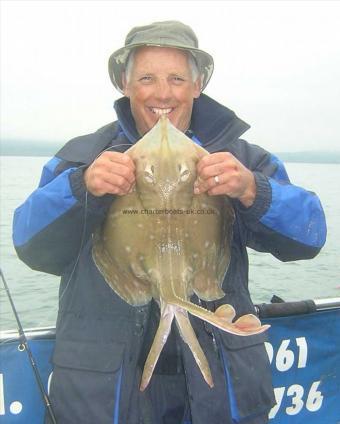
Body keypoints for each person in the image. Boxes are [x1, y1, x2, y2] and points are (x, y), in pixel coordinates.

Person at [13, 21, 327, 424]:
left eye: (176, 78)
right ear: (124, 84)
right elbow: (29, 244)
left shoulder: (242, 159)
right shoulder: (82, 157)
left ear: (197, 85)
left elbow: (310, 236)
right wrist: (81, 187)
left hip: (220, 392)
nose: (163, 92)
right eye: (147, 78)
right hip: (107, 395)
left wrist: (252, 190)